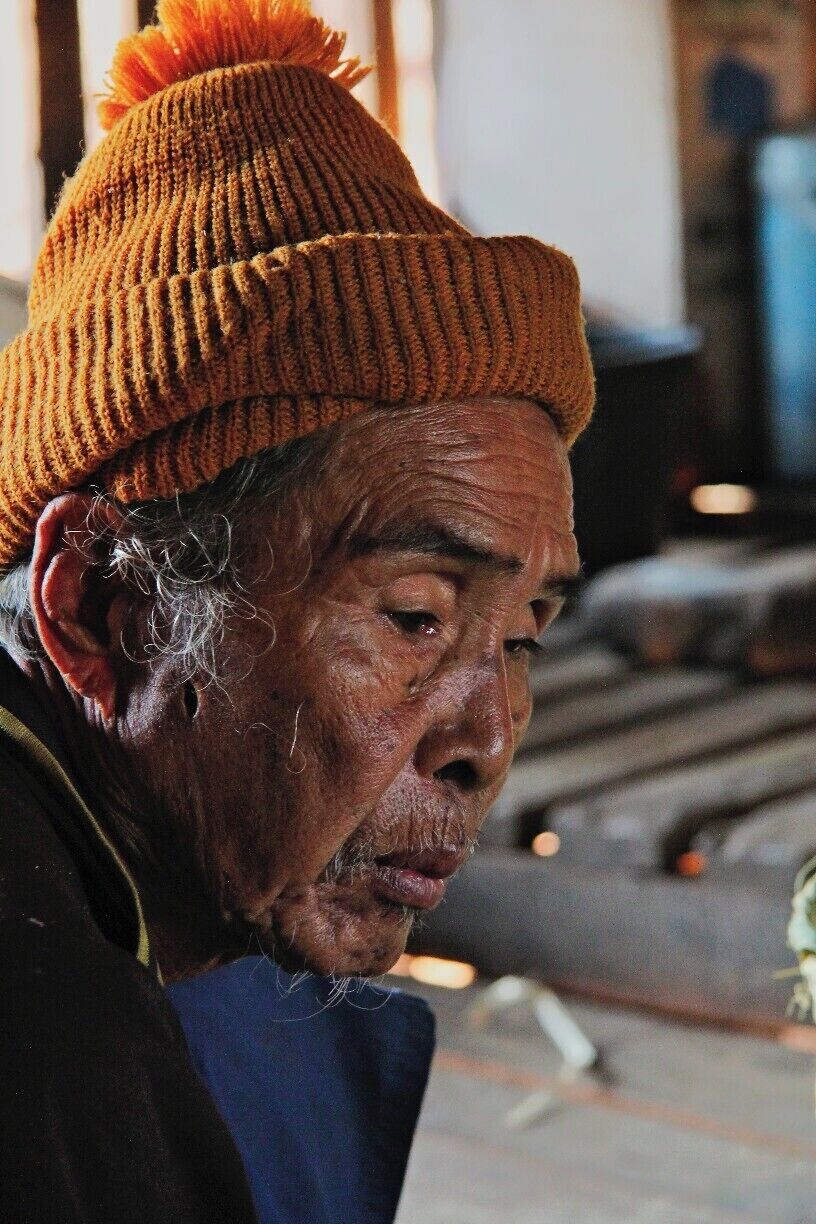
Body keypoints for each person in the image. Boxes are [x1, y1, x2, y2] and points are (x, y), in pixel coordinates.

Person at [0, 0, 594, 1219]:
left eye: (525, 635)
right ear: (102, 607)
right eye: (418, 619)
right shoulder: (42, 1034)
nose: (485, 738)